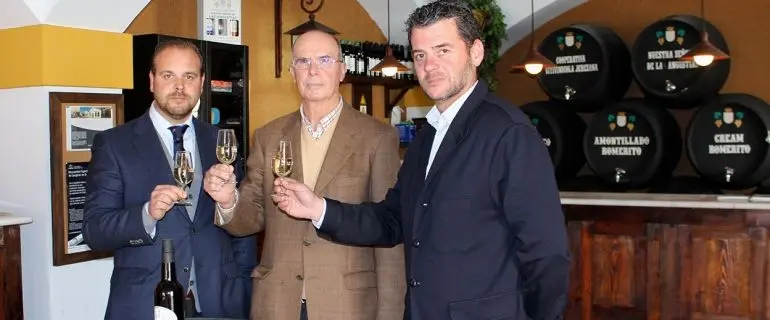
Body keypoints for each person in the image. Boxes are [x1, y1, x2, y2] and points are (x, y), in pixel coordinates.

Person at [270, 1, 571, 319]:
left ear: (476, 52)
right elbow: (392, 220)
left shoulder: (508, 133)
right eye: (420, 55)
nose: (430, 66)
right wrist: (318, 208)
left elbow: (547, 255)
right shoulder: (428, 135)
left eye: (443, 50)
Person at [203, 30, 406, 320]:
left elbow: (389, 235)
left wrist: (391, 313)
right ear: (292, 72)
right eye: (303, 61)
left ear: (342, 70)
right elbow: (252, 216)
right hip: (277, 302)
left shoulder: (378, 137)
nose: (313, 70)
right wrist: (227, 201)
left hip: (348, 306)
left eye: (324, 60)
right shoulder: (267, 136)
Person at [82, 39, 257, 320]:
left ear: (201, 82)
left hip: (221, 302)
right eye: (168, 75)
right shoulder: (114, 144)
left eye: (188, 76)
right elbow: (94, 231)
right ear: (151, 81)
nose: (179, 86)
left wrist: (246, 284)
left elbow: (244, 227)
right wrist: (146, 215)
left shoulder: (221, 142)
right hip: (144, 304)